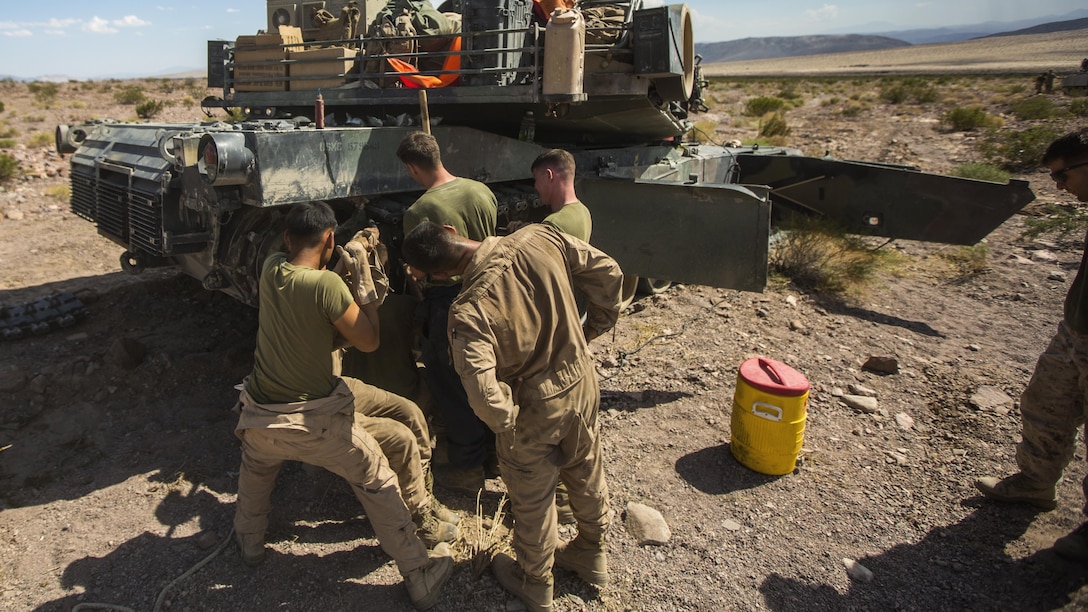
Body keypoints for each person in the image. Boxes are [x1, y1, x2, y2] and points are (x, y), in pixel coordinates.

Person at [232, 201, 455, 610]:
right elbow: (368, 339)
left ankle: (248, 543)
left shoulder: (271, 269)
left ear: (286, 239)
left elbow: (308, 281)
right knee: (389, 458)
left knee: (405, 410)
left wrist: (348, 253)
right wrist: (365, 282)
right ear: (330, 238)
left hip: (259, 414)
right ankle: (419, 570)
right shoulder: (326, 287)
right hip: (312, 420)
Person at [401, 220, 623, 611]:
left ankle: (534, 581)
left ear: (437, 274)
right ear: (452, 229)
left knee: (532, 494)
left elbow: (485, 397)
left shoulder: (468, 310)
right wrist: (595, 328)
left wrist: (510, 425)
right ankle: (592, 550)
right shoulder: (540, 235)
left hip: (535, 404)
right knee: (586, 466)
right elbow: (608, 271)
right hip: (581, 378)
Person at [976, 129, 1088, 561]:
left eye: (1063, 176)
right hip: (1076, 330)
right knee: (1045, 404)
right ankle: (1036, 483)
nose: (1060, 187)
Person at [396, 131, 499, 494]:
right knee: (489, 378)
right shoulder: (480, 191)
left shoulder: (418, 211)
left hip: (449, 302)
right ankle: (495, 453)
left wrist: (412, 274)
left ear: (411, 168)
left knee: (452, 385)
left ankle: (466, 467)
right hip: (489, 292)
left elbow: (425, 265)